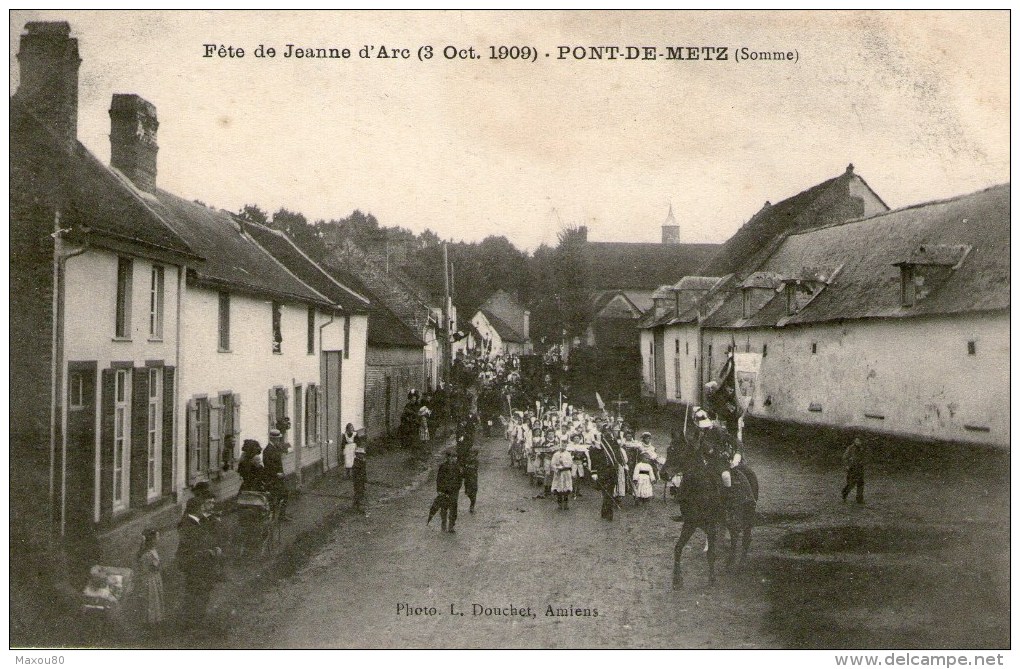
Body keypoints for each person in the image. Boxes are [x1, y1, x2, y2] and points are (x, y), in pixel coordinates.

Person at [175, 495, 222, 632]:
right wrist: (210, 553)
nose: (204, 508)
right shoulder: (189, 524)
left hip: (201, 563)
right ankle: (192, 622)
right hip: (195, 564)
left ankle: (196, 620)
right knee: (196, 592)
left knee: (202, 591)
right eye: (202, 506)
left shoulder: (198, 521)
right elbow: (191, 548)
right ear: (196, 508)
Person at [134, 528, 165, 639]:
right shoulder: (148, 554)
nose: (158, 539)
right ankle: (150, 624)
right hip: (150, 580)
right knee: (151, 601)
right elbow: (152, 568)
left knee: (153, 600)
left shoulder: (150, 551)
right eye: (157, 537)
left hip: (152, 579)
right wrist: (157, 567)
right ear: (151, 540)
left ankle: (152, 622)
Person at [427, 450, 462, 533]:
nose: (454, 459)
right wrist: (439, 490)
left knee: (453, 508)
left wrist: (457, 488)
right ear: (448, 458)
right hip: (444, 491)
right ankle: (444, 524)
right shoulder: (443, 467)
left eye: (455, 457)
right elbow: (439, 479)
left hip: (454, 491)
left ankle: (451, 526)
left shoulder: (457, 467)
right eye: (452, 457)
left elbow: (460, 479)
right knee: (444, 508)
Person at [262, 429, 290, 520]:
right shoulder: (268, 450)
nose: (278, 440)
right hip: (272, 478)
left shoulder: (275, 448)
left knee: (284, 494)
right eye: (277, 439)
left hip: (278, 477)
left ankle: (280, 515)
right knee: (275, 497)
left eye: (278, 439)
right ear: (273, 439)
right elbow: (267, 466)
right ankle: (274, 516)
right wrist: (276, 474)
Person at [841, 437, 867, 504]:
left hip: (860, 469)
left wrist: (863, 462)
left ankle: (859, 499)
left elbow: (865, 457)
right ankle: (844, 493)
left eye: (859, 441)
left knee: (860, 483)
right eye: (857, 441)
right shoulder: (850, 448)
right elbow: (844, 457)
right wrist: (847, 466)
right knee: (851, 484)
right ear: (854, 441)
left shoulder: (862, 448)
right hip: (852, 469)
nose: (858, 442)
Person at [550, 442, 574, 510]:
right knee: (559, 488)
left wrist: (565, 466)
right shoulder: (556, 454)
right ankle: (559, 504)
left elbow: (570, 463)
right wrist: (557, 468)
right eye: (561, 445)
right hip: (559, 473)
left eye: (564, 445)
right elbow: (552, 464)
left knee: (566, 488)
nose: (563, 447)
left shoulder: (568, 454)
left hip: (566, 473)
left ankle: (566, 504)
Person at [461, 447, 480, 513]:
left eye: (473, 453)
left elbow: (474, 468)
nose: (471, 454)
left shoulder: (476, 461)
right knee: (468, 493)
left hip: (473, 479)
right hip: (467, 479)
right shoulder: (466, 460)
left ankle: (472, 506)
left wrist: (466, 468)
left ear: (476, 454)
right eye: (470, 453)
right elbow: (463, 467)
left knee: (473, 493)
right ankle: (472, 503)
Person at [351, 443, 368, 514]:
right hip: (358, 480)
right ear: (357, 454)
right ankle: (357, 505)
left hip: (361, 479)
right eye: (360, 454)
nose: (362, 455)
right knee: (358, 491)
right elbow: (356, 472)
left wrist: (365, 478)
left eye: (362, 454)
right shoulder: (357, 462)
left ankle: (357, 504)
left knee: (361, 491)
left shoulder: (362, 461)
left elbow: (364, 471)